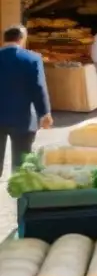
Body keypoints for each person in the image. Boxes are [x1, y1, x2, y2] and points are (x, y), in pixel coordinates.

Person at [0, 26, 53, 173]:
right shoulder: (32, 58)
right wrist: (44, 113)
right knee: (22, 164)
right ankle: (21, 193)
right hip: (23, 117)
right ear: (22, 39)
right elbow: (38, 87)